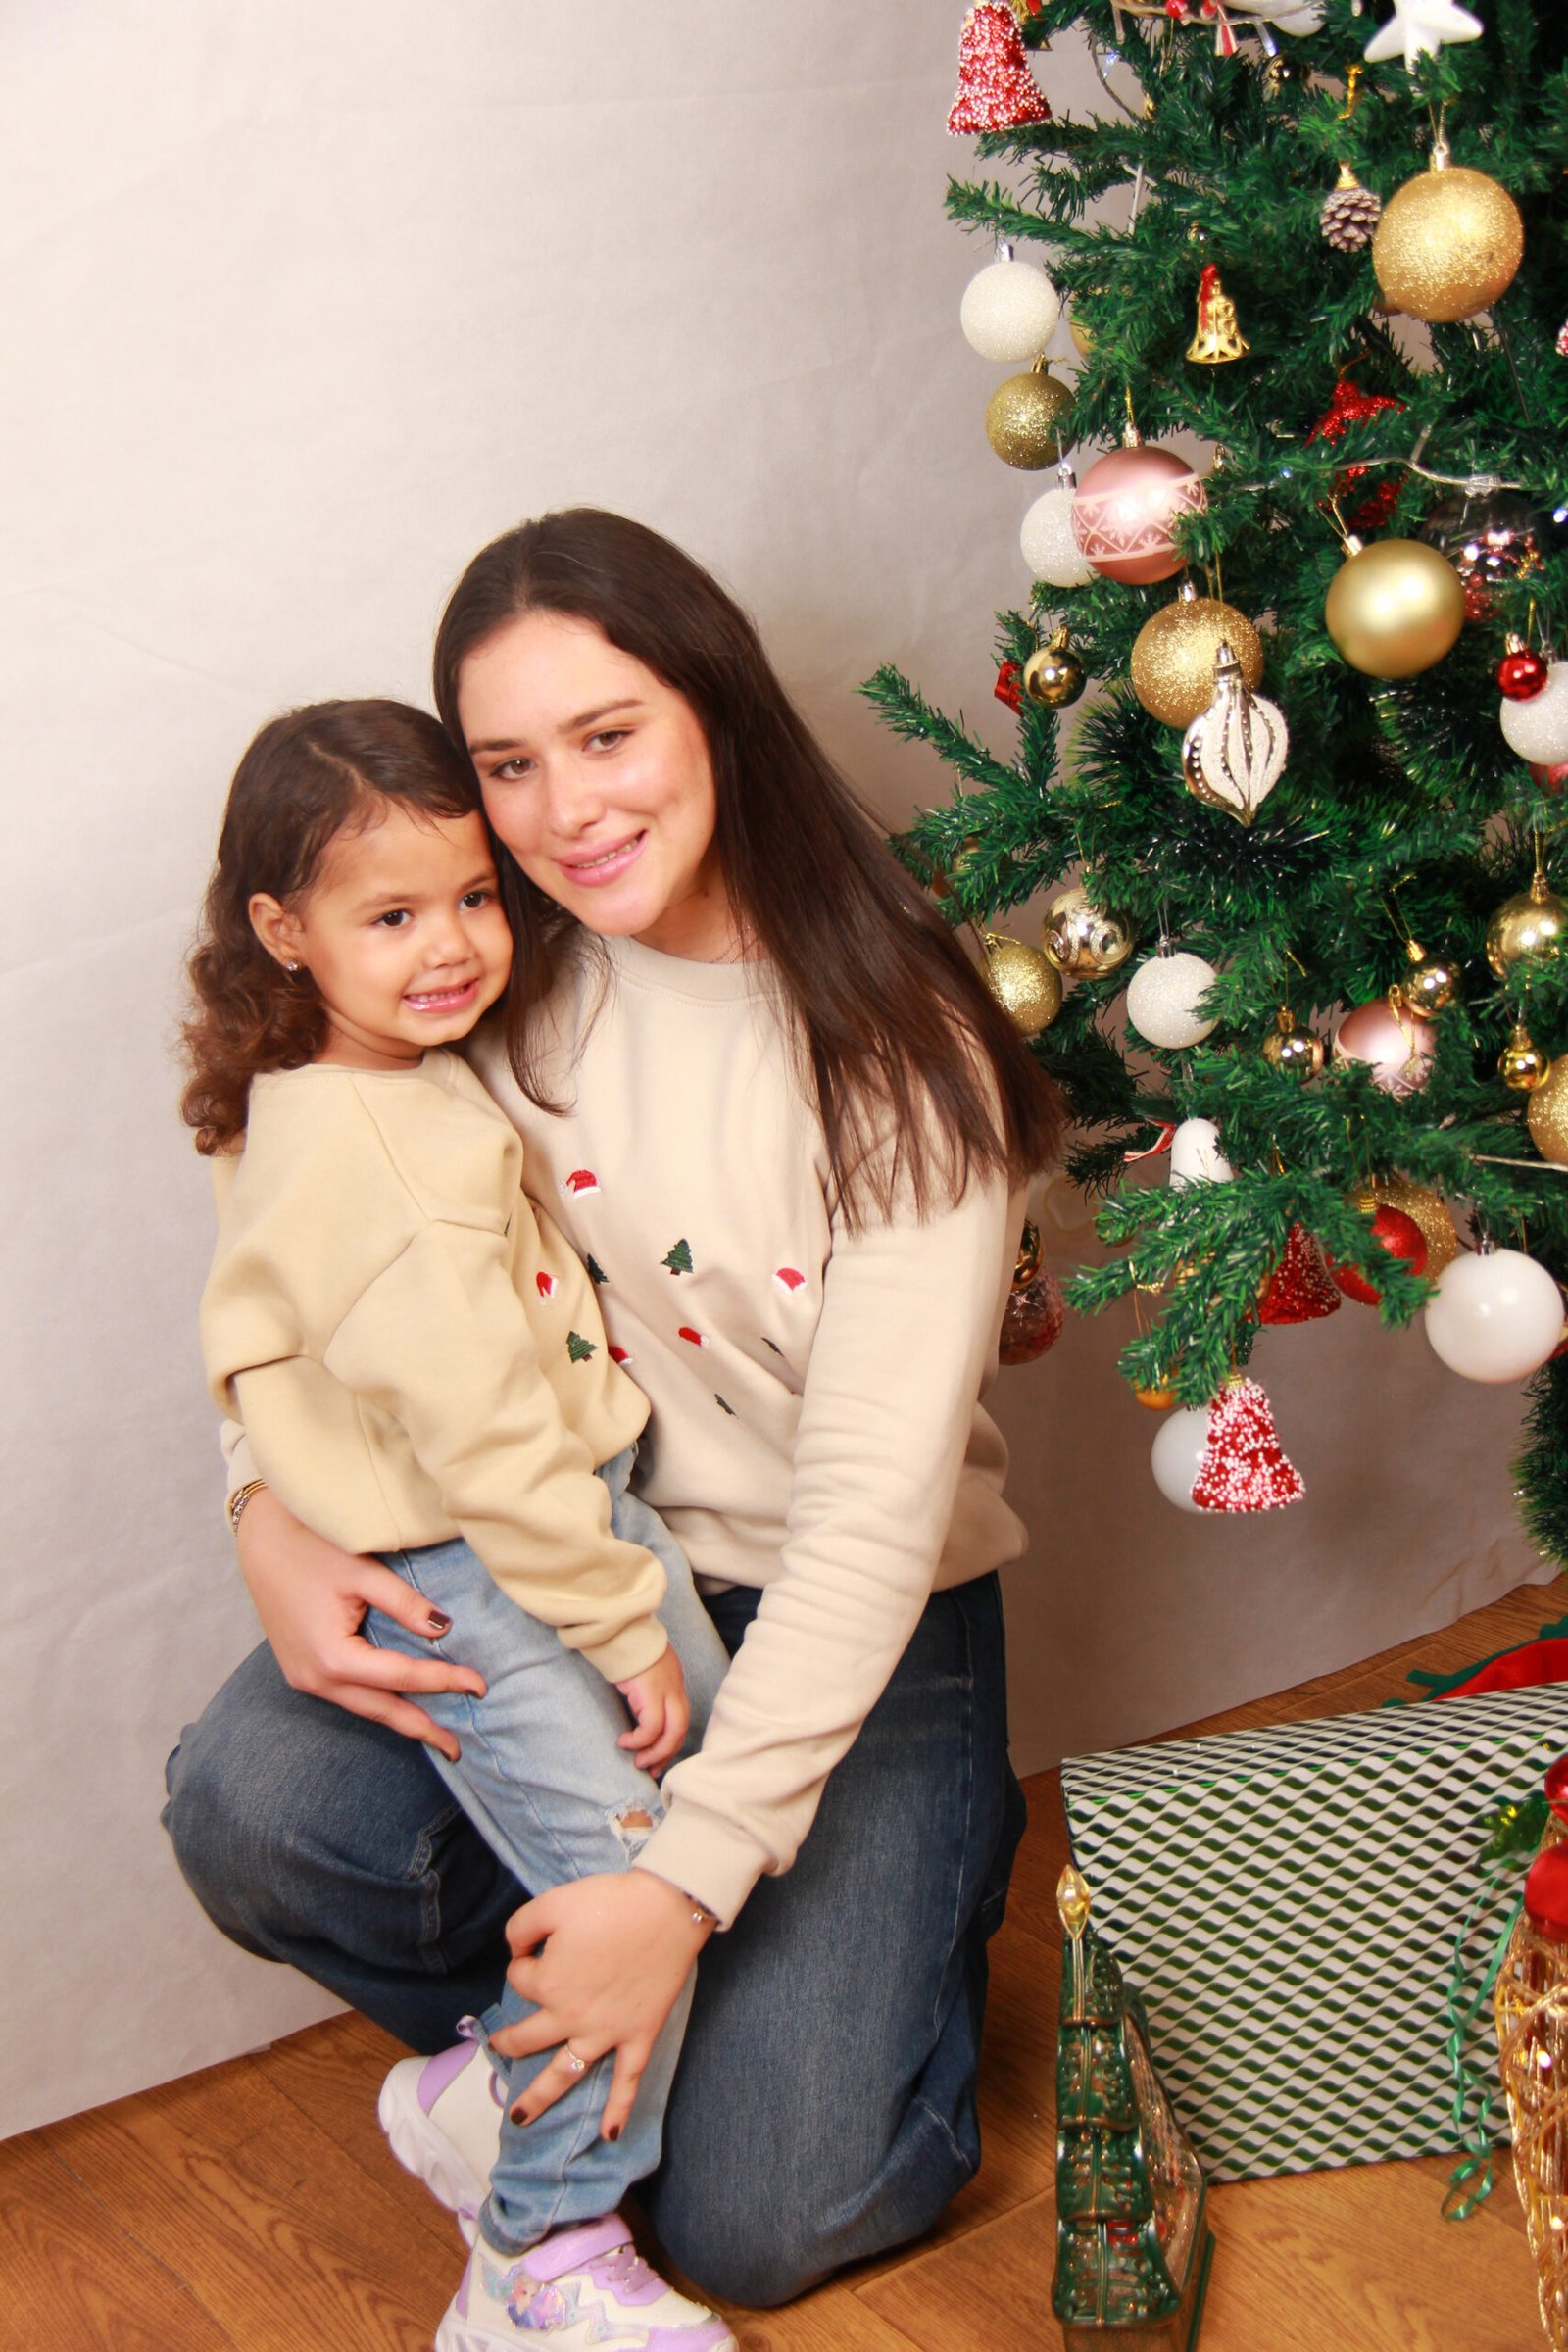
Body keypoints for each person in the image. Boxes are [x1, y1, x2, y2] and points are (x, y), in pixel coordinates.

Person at [164, 509, 1065, 2314]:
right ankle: (557, 2057)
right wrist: (263, 1505)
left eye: (607, 735)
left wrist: (683, 1887)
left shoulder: (904, 1055)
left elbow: (869, 1526)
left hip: (846, 1614)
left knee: (763, 2220)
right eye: (507, 765)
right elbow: (309, 1241)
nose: (565, 811)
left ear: (712, 706)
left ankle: (781, 1977)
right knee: (252, 1800)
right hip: (572, 1572)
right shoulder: (483, 959)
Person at [182, 697, 737, 2352]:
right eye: (392, 917)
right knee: (631, 1878)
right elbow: (490, 1446)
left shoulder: (352, 1085)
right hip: (486, 1561)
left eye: (474, 898)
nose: (450, 948)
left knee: (705, 1809)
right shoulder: (379, 1153)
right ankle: (538, 2254)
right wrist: (617, 1617)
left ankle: (477, 2098)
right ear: (284, 931)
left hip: (561, 1520)